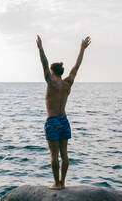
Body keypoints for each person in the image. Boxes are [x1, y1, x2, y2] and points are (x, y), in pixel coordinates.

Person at [36, 35, 91, 190]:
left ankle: (56, 184)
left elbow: (44, 63)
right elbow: (76, 66)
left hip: (53, 121)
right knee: (64, 154)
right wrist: (82, 49)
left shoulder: (51, 82)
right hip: (64, 121)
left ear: (52, 72)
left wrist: (40, 48)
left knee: (54, 155)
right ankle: (63, 182)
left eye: (50, 71)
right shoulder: (68, 83)